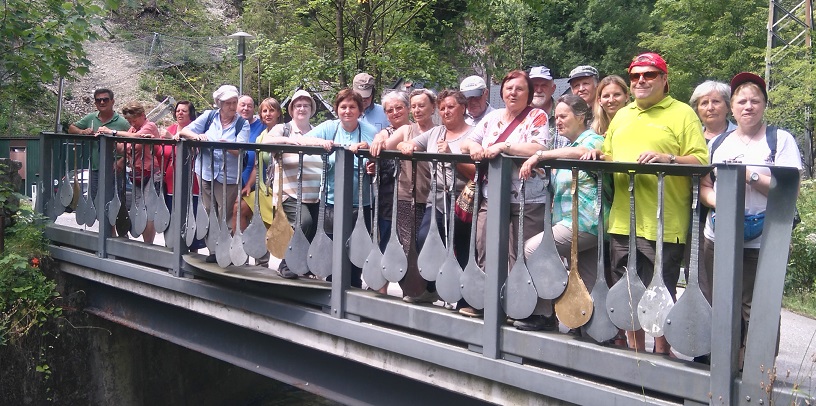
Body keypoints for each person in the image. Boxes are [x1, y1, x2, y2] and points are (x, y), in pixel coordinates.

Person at [582, 52, 708, 354]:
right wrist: (600, 156)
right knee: (627, 290)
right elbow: (613, 154)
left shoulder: (682, 114)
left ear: (664, 80)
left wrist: (669, 159)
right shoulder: (623, 114)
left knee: (660, 290)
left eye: (649, 75)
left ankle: (661, 353)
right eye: (635, 75)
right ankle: (636, 356)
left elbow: (702, 160)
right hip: (624, 220)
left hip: (664, 221)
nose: (640, 80)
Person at [700, 73, 801, 353]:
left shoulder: (780, 141)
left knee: (757, 305)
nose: (748, 106)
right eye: (741, 101)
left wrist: (749, 175)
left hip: (765, 238)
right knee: (722, 300)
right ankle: (724, 364)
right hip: (719, 235)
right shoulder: (718, 144)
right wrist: (722, 202)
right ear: (731, 107)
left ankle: (757, 369)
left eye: (755, 101)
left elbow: (790, 192)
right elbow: (705, 187)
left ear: (764, 105)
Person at [460, 70, 551, 321]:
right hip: (492, 196)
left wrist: (504, 146)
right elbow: (465, 143)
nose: (513, 93)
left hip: (527, 199)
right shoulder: (493, 118)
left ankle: (526, 309)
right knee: (486, 247)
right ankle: (486, 302)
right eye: (509, 88)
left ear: (529, 94)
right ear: (502, 93)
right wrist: (476, 146)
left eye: (520, 89)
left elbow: (539, 148)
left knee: (522, 254)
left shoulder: (537, 115)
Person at [519, 94, 604, 331]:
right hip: (573, 223)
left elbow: (582, 155)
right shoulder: (568, 146)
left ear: (581, 117)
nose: (558, 121)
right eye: (556, 117)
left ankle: (544, 313)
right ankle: (591, 329)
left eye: (563, 116)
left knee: (535, 249)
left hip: (586, 223)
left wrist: (540, 155)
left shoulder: (593, 139)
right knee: (587, 278)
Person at [392, 89, 476, 306]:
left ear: (463, 108)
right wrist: (406, 145)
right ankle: (434, 288)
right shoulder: (435, 133)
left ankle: (464, 299)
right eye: (443, 108)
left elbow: (477, 174)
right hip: (436, 198)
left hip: (463, 201)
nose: (446, 111)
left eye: (451, 107)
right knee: (424, 239)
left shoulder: (474, 134)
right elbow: (407, 143)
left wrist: (452, 156)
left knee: (461, 248)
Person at [298, 89, 376, 288]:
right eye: (343, 107)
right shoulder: (329, 127)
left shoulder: (368, 130)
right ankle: (333, 289)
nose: (347, 111)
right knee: (333, 247)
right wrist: (321, 142)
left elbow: (377, 156)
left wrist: (371, 158)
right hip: (332, 201)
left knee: (357, 247)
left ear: (360, 110)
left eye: (352, 107)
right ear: (337, 109)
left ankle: (354, 287)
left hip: (361, 202)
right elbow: (303, 139)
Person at [370, 89, 436, 301]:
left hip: (435, 197)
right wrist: (377, 139)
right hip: (406, 195)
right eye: (390, 110)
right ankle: (413, 290)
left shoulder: (440, 131)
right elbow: (385, 144)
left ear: (432, 108)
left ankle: (430, 290)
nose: (416, 110)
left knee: (428, 242)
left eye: (420, 105)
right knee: (407, 244)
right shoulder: (406, 130)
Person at [178, 84, 251, 263]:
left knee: (225, 213)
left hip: (229, 175)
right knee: (208, 210)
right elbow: (185, 131)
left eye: (235, 102)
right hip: (205, 171)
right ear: (219, 103)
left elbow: (241, 150)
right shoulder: (209, 116)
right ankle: (212, 251)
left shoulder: (243, 123)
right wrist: (197, 137)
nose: (233, 107)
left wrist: (226, 145)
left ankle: (225, 253)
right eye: (228, 103)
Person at [258, 91, 322, 278]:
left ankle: (303, 266)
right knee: (304, 223)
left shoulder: (316, 130)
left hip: (315, 193)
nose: (302, 109)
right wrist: (289, 141)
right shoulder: (282, 128)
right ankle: (287, 263)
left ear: (312, 110)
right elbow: (267, 142)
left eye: (306, 105)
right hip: (290, 191)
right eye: (298, 105)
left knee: (315, 228)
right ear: (292, 110)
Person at [98, 101, 161, 244]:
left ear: (143, 115)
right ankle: (145, 244)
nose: (132, 123)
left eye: (134, 120)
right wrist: (107, 137)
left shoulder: (149, 127)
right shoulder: (132, 130)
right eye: (129, 121)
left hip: (152, 173)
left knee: (148, 209)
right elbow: (122, 148)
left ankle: (148, 245)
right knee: (139, 208)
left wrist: (113, 132)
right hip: (136, 174)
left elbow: (137, 138)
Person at [67, 88, 131, 202]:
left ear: (112, 101)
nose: (102, 102)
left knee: (115, 203)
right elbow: (71, 128)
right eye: (98, 100)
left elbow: (133, 144)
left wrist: (121, 162)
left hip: (115, 170)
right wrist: (82, 132)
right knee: (94, 201)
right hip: (95, 169)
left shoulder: (123, 122)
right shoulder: (91, 118)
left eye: (105, 100)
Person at [161, 101, 206, 250]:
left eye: (184, 111)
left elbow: (193, 153)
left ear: (191, 114)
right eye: (178, 110)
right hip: (171, 183)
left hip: (191, 184)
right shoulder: (170, 128)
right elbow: (162, 153)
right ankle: (171, 249)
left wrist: (172, 139)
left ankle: (192, 251)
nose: (180, 113)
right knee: (171, 217)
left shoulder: (197, 130)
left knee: (190, 218)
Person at [233, 95, 265, 233]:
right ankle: (238, 252)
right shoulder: (230, 125)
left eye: (249, 106)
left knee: (248, 214)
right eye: (242, 105)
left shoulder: (262, 127)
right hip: (232, 181)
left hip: (257, 182)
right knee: (233, 215)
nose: (246, 108)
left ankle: (257, 253)